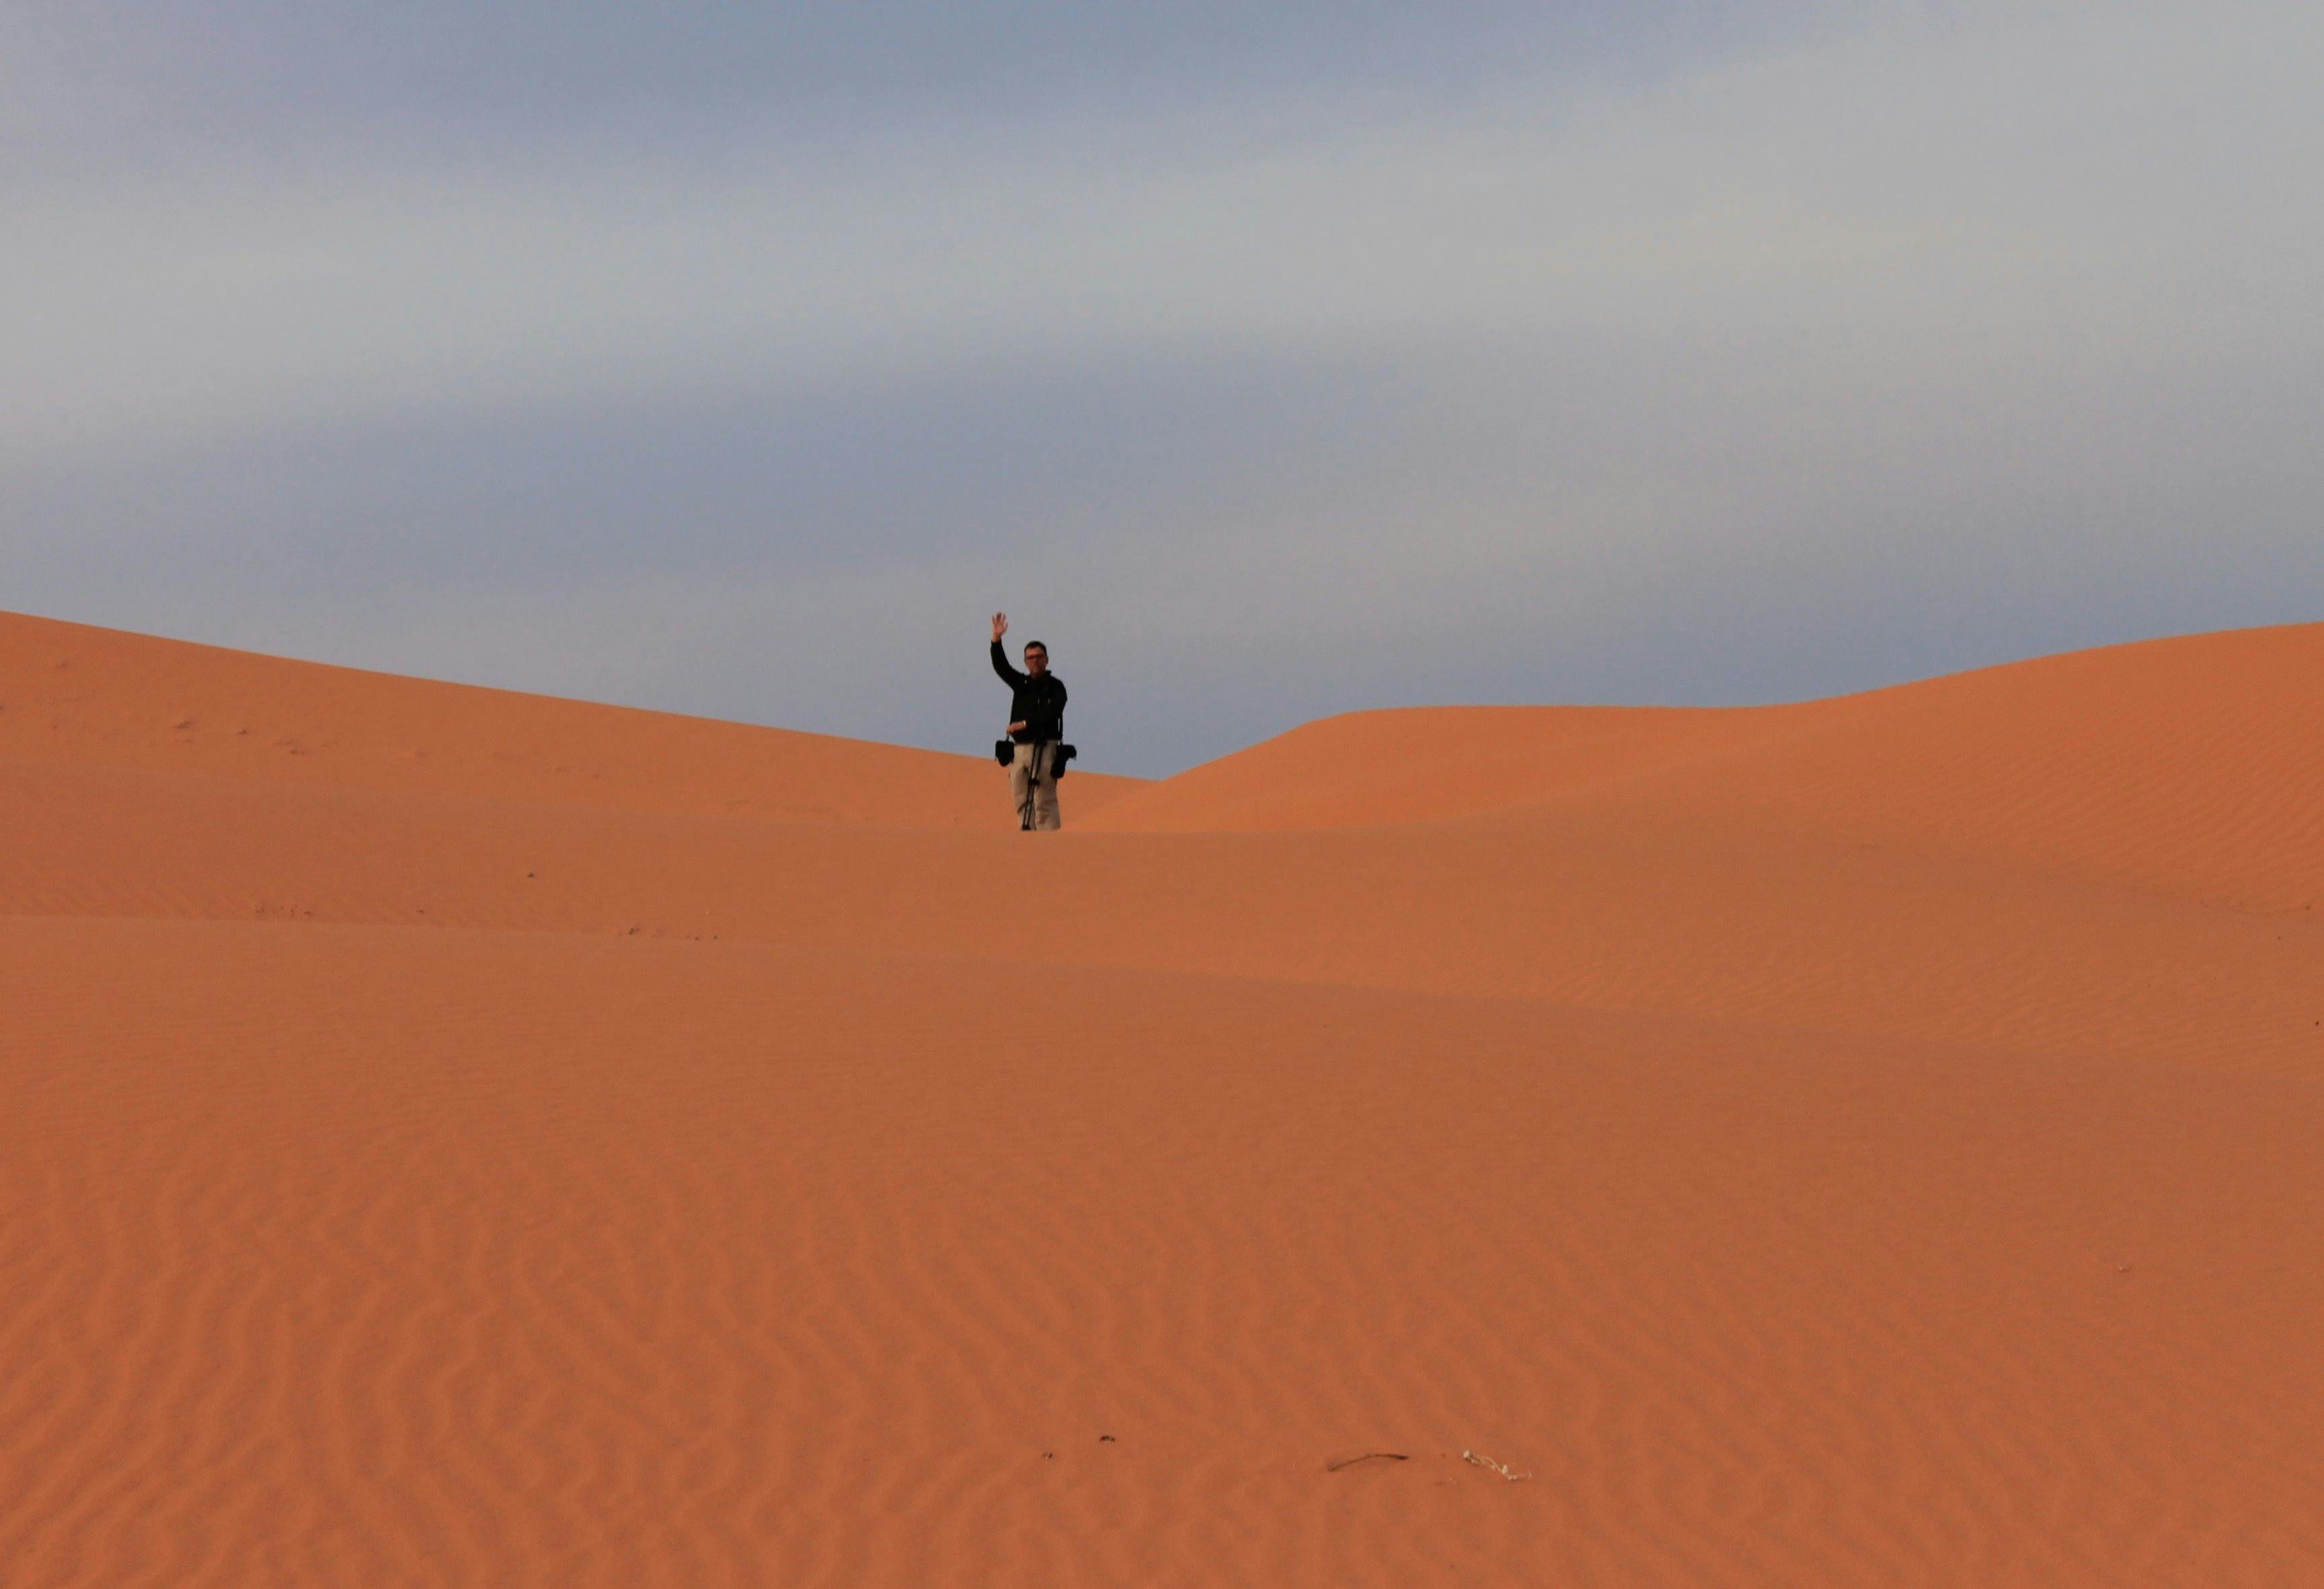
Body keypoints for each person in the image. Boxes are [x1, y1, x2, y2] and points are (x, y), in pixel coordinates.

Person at [990, 611, 1067, 831]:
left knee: (1045, 799)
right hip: (1020, 749)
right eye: (1031, 657)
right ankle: (1028, 843)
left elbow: (1053, 712)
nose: (1035, 660)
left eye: (1039, 656)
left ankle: (1049, 843)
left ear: (1047, 659)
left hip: (1046, 748)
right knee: (1021, 797)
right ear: (1025, 661)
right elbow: (1001, 667)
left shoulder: (1056, 686)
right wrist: (996, 640)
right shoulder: (1021, 683)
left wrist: (1025, 724)